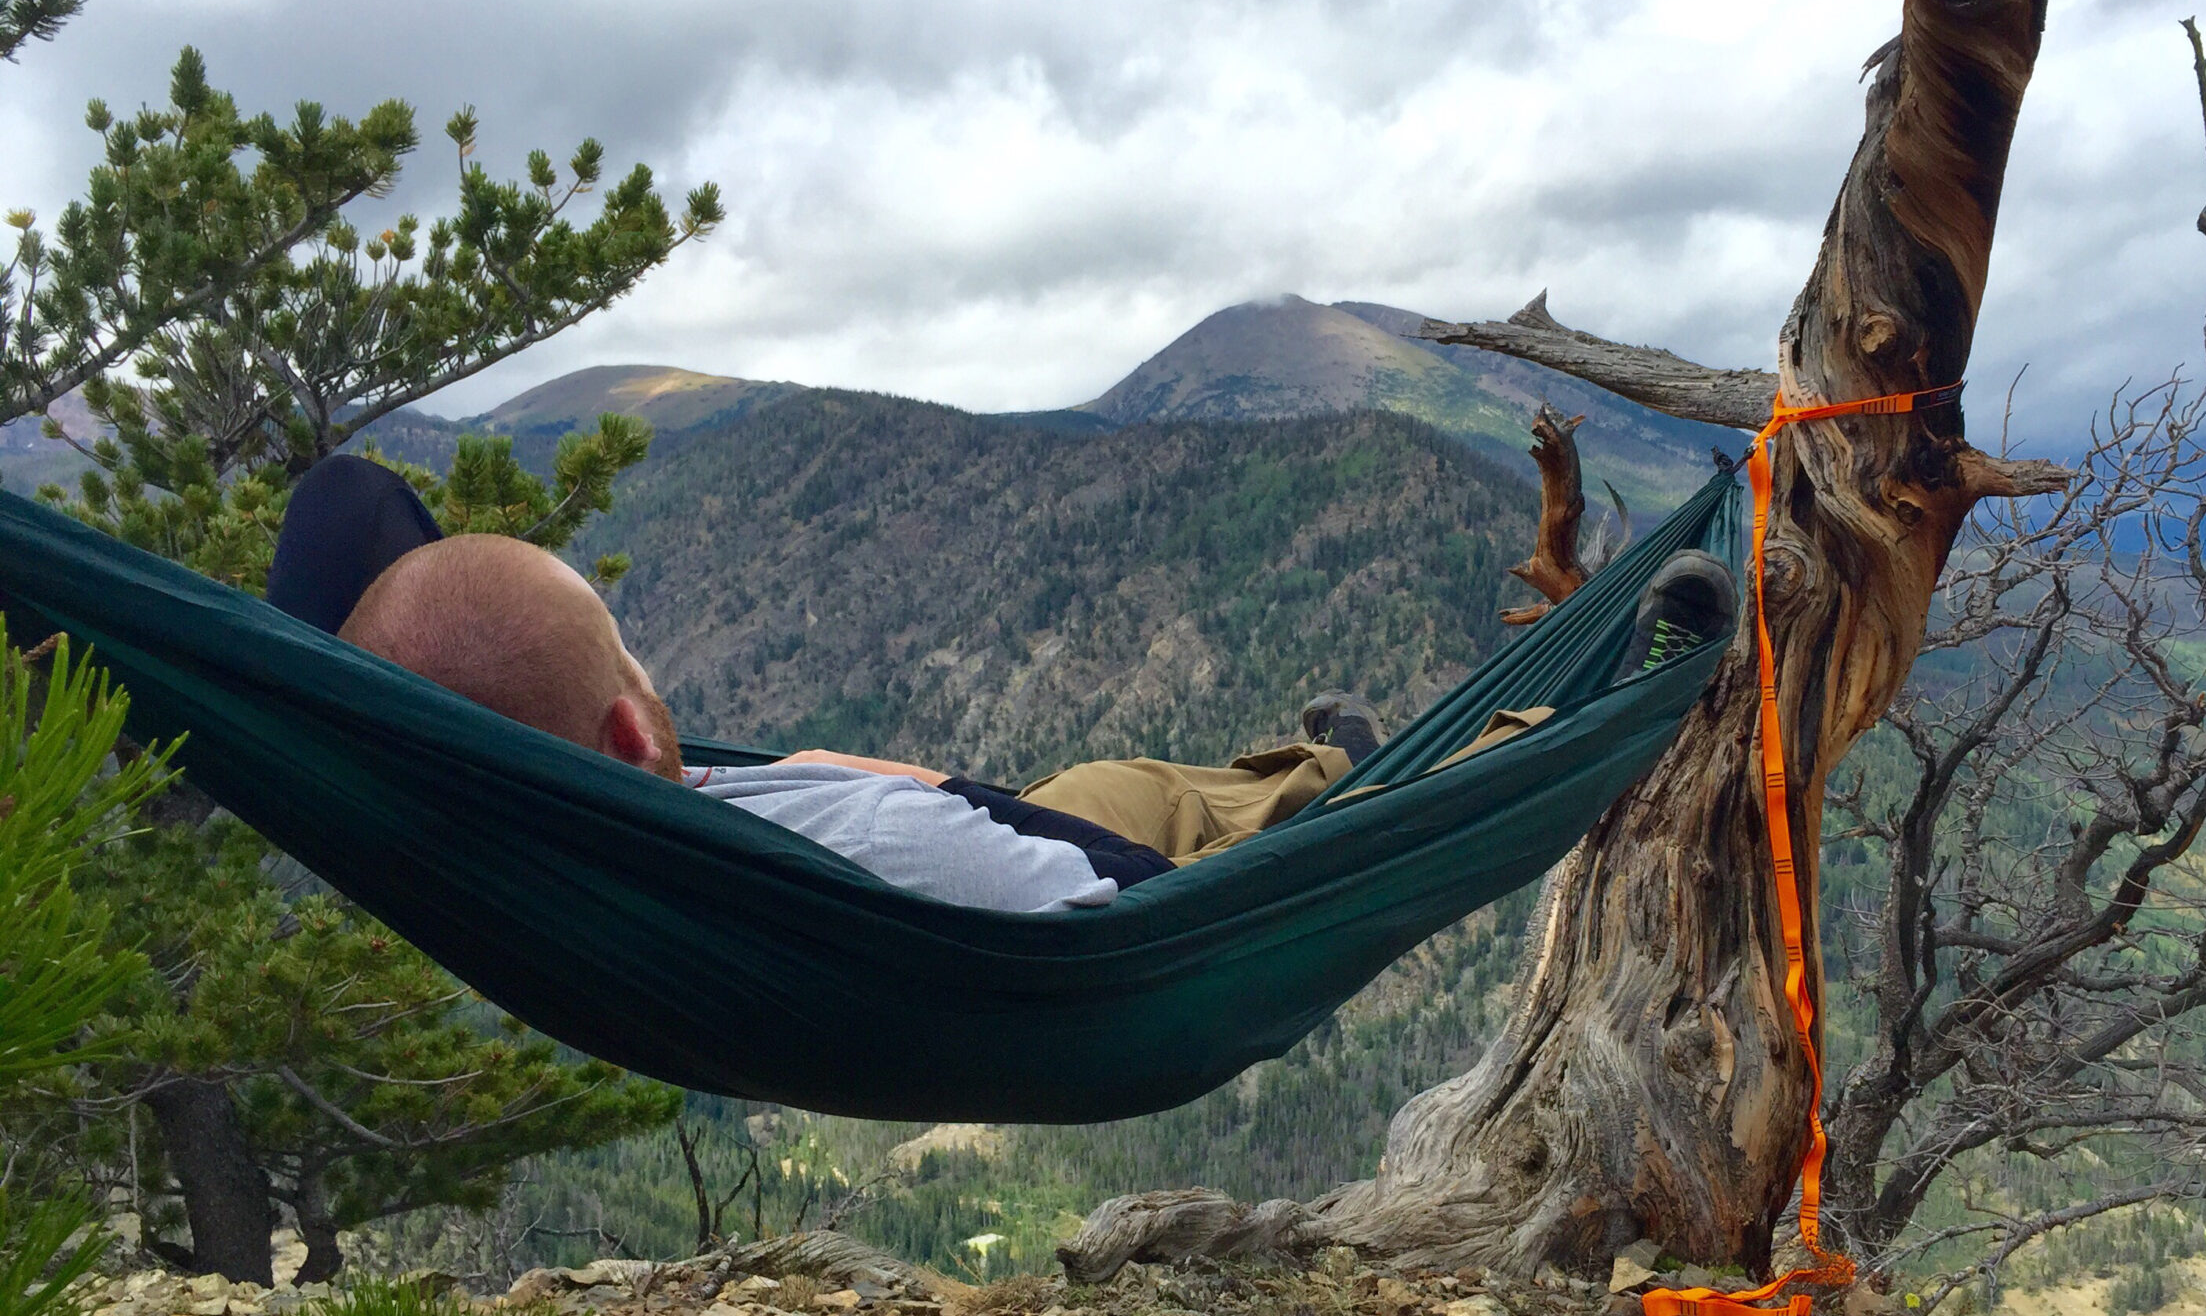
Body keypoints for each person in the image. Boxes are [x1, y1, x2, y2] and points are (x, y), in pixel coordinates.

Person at [297, 455, 1733, 913]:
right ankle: (1598, 704)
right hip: (1097, 898)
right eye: (635, 659)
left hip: (1011, 816)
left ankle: (1307, 762)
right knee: (1367, 816)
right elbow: (1091, 916)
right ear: (623, 725)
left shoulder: (580, 813)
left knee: (1160, 779)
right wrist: (952, 811)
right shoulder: (865, 868)